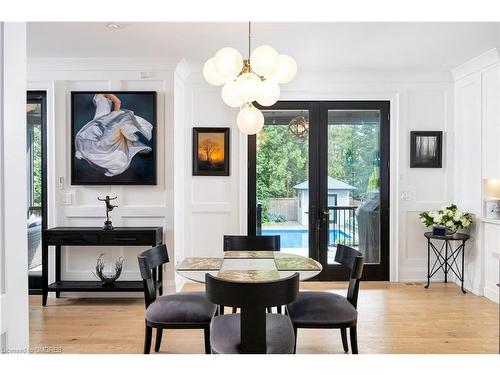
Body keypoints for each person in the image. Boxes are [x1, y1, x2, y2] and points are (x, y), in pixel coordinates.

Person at [75, 93, 153, 177]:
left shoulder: (106, 92)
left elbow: (118, 101)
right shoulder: (98, 92)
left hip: (104, 118)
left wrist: (114, 118)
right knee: (90, 137)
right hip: (99, 119)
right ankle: (88, 153)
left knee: (97, 138)